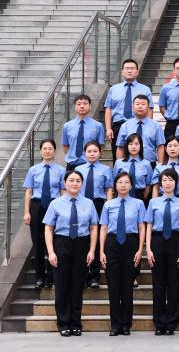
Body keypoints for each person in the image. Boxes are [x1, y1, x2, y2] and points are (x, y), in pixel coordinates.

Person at [43, 170, 99, 337]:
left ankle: (75, 323)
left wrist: (92, 250)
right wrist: (51, 252)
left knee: (77, 286)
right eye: (71, 180)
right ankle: (63, 323)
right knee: (61, 286)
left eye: (78, 181)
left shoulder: (89, 203)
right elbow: (48, 228)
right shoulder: (55, 203)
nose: (74, 183)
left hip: (81, 244)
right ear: (65, 183)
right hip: (61, 243)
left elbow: (93, 227)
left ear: (82, 184)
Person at [99, 172, 146, 336]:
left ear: (131, 185)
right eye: (120, 182)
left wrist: (140, 249)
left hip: (131, 243)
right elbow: (103, 228)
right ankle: (115, 325)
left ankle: (126, 324)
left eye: (126, 182)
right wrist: (101, 251)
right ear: (115, 185)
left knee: (127, 286)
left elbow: (141, 227)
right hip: (112, 244)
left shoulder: (139, 203)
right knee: (113, 287)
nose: (123, 185)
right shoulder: (108, 205)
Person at [144, 169, 179, 336]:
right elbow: (149, 225)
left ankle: (171, 323)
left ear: (176, 183)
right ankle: (159, 322)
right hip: (157, 241)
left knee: (174, 284)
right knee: (158, 284)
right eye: (164, 180)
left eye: (171, 180)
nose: (168, 183)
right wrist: (148, 248)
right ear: (160, 183)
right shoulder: (153, 202)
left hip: (175, 242)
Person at [23, 139, 66, 289]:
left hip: (54, 206)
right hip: (37, 206)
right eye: (45, 148)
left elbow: (63, 191)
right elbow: (29, 192)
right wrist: (27, 212)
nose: (47, 151)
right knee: (38, 243)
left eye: (50, 148)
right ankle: (39, 277)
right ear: (40, 151)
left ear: (54, 150)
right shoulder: (33, 170)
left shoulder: (61, 170)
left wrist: (62, 211)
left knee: (53, 243)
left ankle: (50, 277)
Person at [76, 141, 114, 288]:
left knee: (97, 240)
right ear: (85, 153)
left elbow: (109, 189)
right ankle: (83, 274)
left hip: (99, 204)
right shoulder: (78, 169)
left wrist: (108, 207)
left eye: (95, 151)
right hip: (82, 205)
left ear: (100, 153)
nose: (92, 154)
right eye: (89, 151)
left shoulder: (106, 169)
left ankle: (94, 276)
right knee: (83, 239)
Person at [104, 58, 153, 162]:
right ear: (122, 71)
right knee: (118, 156)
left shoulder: (145, 89)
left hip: (138, 125)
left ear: (137, 71)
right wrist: (108, 128)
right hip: (118, 126)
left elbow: (149, 110)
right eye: (126, 68)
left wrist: (148, 126)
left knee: (140, 154)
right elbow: (108, 109)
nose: (129, 71)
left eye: (132, 68)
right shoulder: (114, 89)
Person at [116, 94, 166, 166]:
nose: (140, 106)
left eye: (143, 104)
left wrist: (160, 166)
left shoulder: (156, 126)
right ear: (132, 107)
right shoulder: (125, 126)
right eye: (137, 104)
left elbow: (160, 147)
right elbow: (120, 147)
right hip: (129, 164)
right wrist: (119, 165)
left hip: (150, 163)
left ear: (148, 108)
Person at [62, 94, 105, 170]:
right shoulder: (67, 126)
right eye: (79, 104)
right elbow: (65, 146)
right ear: (75, 107)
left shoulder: (98, 126)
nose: (82, 106)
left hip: (90, 164)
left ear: (90, 106)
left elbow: (100, 146)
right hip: (71, 165)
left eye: (85, 103)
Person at [151, 136, 179, 205]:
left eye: (175, 146)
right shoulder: (159, 167)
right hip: (163, 200)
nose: (172, 149)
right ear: (165, 148)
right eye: (170, 146)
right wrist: (154, 205)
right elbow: (156, 188)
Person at [113, 134, 153, 201]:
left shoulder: (146, 163)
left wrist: (143, 197)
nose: (133, 147)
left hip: (139, 196)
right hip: (122, 194)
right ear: (127, 146)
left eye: (136, 144)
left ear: (140, 145)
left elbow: (148, 184)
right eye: (130, 144)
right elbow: (114, 181)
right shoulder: (119, 163)